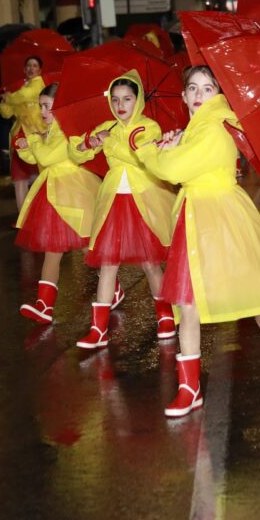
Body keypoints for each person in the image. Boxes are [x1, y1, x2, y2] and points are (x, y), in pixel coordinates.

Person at [136, 67, 260, 418]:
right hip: (193, 219)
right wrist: (173, 144)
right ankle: (189, 387)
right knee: (188, 303)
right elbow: (181, 165)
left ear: (218, 93)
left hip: (222, 218)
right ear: (185, 95)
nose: (198, 94)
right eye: (192, 87)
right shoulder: (197, 127)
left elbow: (174, 170)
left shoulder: (215, 125)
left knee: (252, 296)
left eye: (207, 88)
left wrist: (152, 152)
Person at [69, 71, 176, 348]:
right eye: (115, 99)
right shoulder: (108, 126)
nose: (121, 105)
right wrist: (90, 142)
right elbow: (77, 153)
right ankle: (99, 328)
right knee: (107, 265)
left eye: (127, 99)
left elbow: (139, 155)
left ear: (137, 100)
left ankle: (165, 314)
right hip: (114, 200)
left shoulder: (148, 127)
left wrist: (110, 141)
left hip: (143, 198)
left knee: (150, 263)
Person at [15, 83, 102, 324]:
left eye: (46, 106)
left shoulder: (67, 131)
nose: (42, 111)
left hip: (72, 194)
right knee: (52, 251)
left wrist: (32, 141)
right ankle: (44, 304)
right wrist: (25, 148)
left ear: (60, 107)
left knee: (86, 248)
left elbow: (47, 156)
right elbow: (36, 157)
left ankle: (112, 287)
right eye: (41, 105)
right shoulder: (52, 129)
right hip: (54, 195)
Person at [0, 56, 46, 211]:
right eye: (28, 66)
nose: (31, 68)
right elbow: (5, 113)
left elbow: (24, 96)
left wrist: (9, 97)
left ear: (40, 70)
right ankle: (22, 218)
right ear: (24, 69)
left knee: (42, 176)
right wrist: (4, 100)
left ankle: (42, 213)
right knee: (20, 178)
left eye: (35, 65)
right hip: (20, 134)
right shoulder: (21, 88)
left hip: (38, 134)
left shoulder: (38, 84)